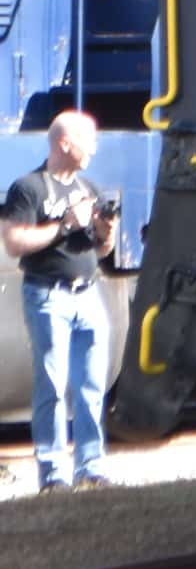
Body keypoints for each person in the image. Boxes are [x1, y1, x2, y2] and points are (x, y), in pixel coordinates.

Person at [2, 111, 117, 493]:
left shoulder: (90, 187)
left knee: (91, 386)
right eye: (90, 140)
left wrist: (105, 231)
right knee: (51, 386)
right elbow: (15, 243)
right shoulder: (28, 189)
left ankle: (91, 468)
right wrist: (64, 226)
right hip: (47, 295)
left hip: (88, 294)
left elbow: (102, 250)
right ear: (65, 144)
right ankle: (53, 475)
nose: (95, 148)